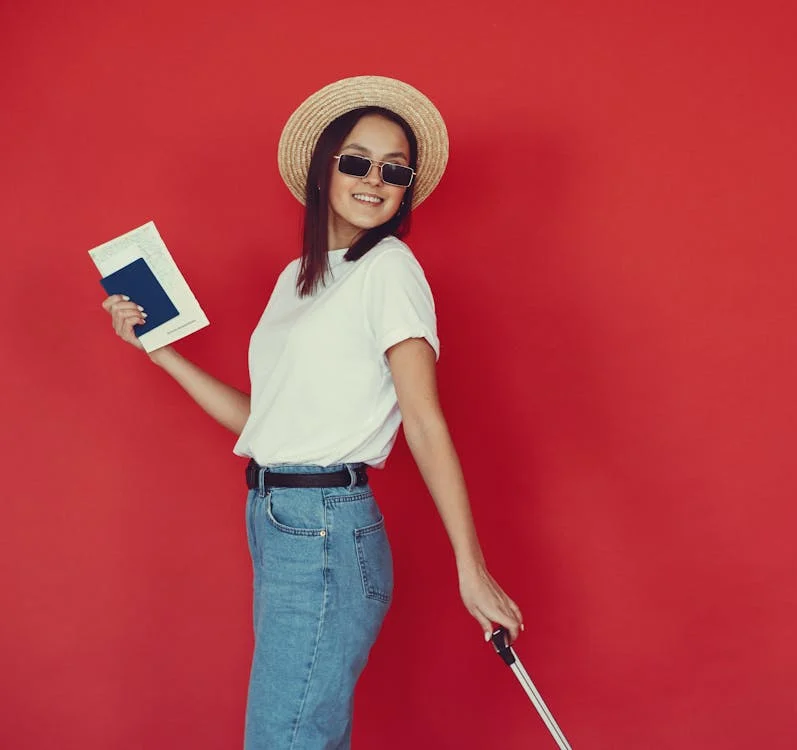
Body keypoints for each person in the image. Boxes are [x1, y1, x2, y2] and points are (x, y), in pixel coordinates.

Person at [100, 76, 524, 749]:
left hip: (325, 527)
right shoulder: (300, 277)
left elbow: (424, 420)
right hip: (279, 521)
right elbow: (265, 425)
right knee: (297, 732)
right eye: (356, 161)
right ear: (322, 168)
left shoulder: (388, 269)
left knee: (285, 736)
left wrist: (469, 567)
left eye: (393, 170)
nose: (373, 180)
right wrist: (162, 355)